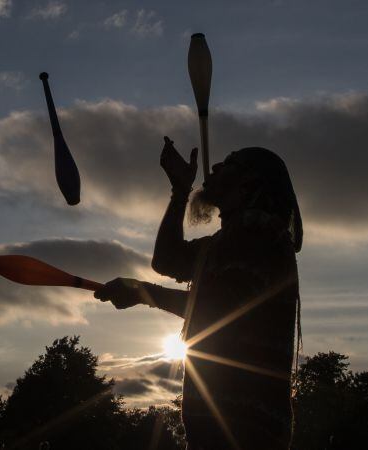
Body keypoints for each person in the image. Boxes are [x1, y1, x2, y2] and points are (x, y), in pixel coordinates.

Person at [95, 137, 303, 449]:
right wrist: (179, 192)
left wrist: (142, 293)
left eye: (231, 162)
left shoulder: (260, 233)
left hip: (244, 431)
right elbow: (166, 259)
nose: (217, 165)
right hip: (222, 428)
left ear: (250, 183)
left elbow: (219, 310)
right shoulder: (224, 242)